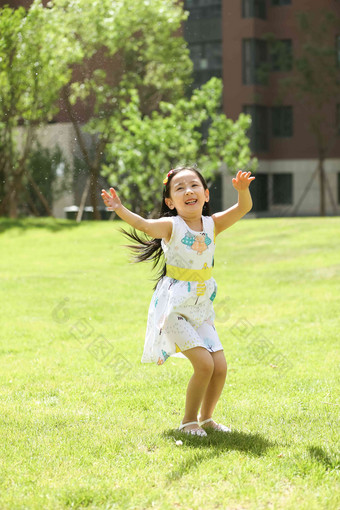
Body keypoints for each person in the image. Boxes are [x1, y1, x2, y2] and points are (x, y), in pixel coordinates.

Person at [101, 165, 255, 437]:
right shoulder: (171, 226)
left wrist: (242, 192)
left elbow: (242, 209)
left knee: (220, 367)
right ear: (170, 202)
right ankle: (188, 422)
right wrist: (119, 208)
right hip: (175, 311)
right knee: (204, 365)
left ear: (206, 194)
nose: (188, 191)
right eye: (180, 188)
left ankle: (207, 419)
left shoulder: (213, 224)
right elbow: (145, 225)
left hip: (201, 309)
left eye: (194, 185)